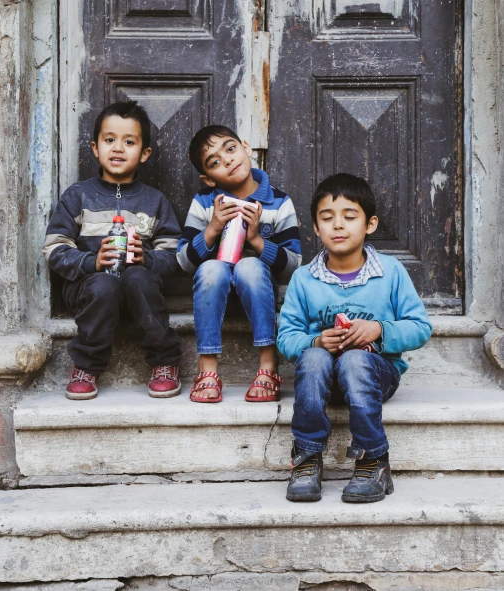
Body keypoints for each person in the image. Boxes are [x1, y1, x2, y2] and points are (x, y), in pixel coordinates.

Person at [277, 173, 432, 503]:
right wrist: (316, 342)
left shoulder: (390, 272)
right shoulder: (304, 280)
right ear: (316, 229)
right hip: (320, 382)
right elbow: (286, 337)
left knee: (355, 359)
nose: (338, 226)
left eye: (349, 217)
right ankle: (306, 457)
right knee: (315, 357)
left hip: (375, 378)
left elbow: (420, 327)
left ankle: (372, 459)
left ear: (369, 224)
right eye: (327, 218)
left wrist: (380, 330)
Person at [43, 101, 182, 400]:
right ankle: (87, 365)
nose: (118, 148)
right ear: (95, 148)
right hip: (90, 290)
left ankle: (164, 360)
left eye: (129, 142)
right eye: (109, 140)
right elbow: (55, 247)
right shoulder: (78, 196)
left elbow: (174, 253)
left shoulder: (154, 201)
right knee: (104, 284)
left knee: (138, 278)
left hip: (139, 289)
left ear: (145, 153)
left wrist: (148, 258)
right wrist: (91, 261)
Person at [177, 125, 302, 403]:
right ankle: (207, 369)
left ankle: (268, 365)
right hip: (214, 298)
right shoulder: (205, 202)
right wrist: (212, 229)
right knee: (211, 268)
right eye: (215, 162)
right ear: (208, 179)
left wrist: (257, 240)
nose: (228, 160)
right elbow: (184, 263)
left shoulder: (279, 202)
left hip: (259, 297)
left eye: (231, 149)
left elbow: (293, 266)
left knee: (249, 266)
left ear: (245, 147)